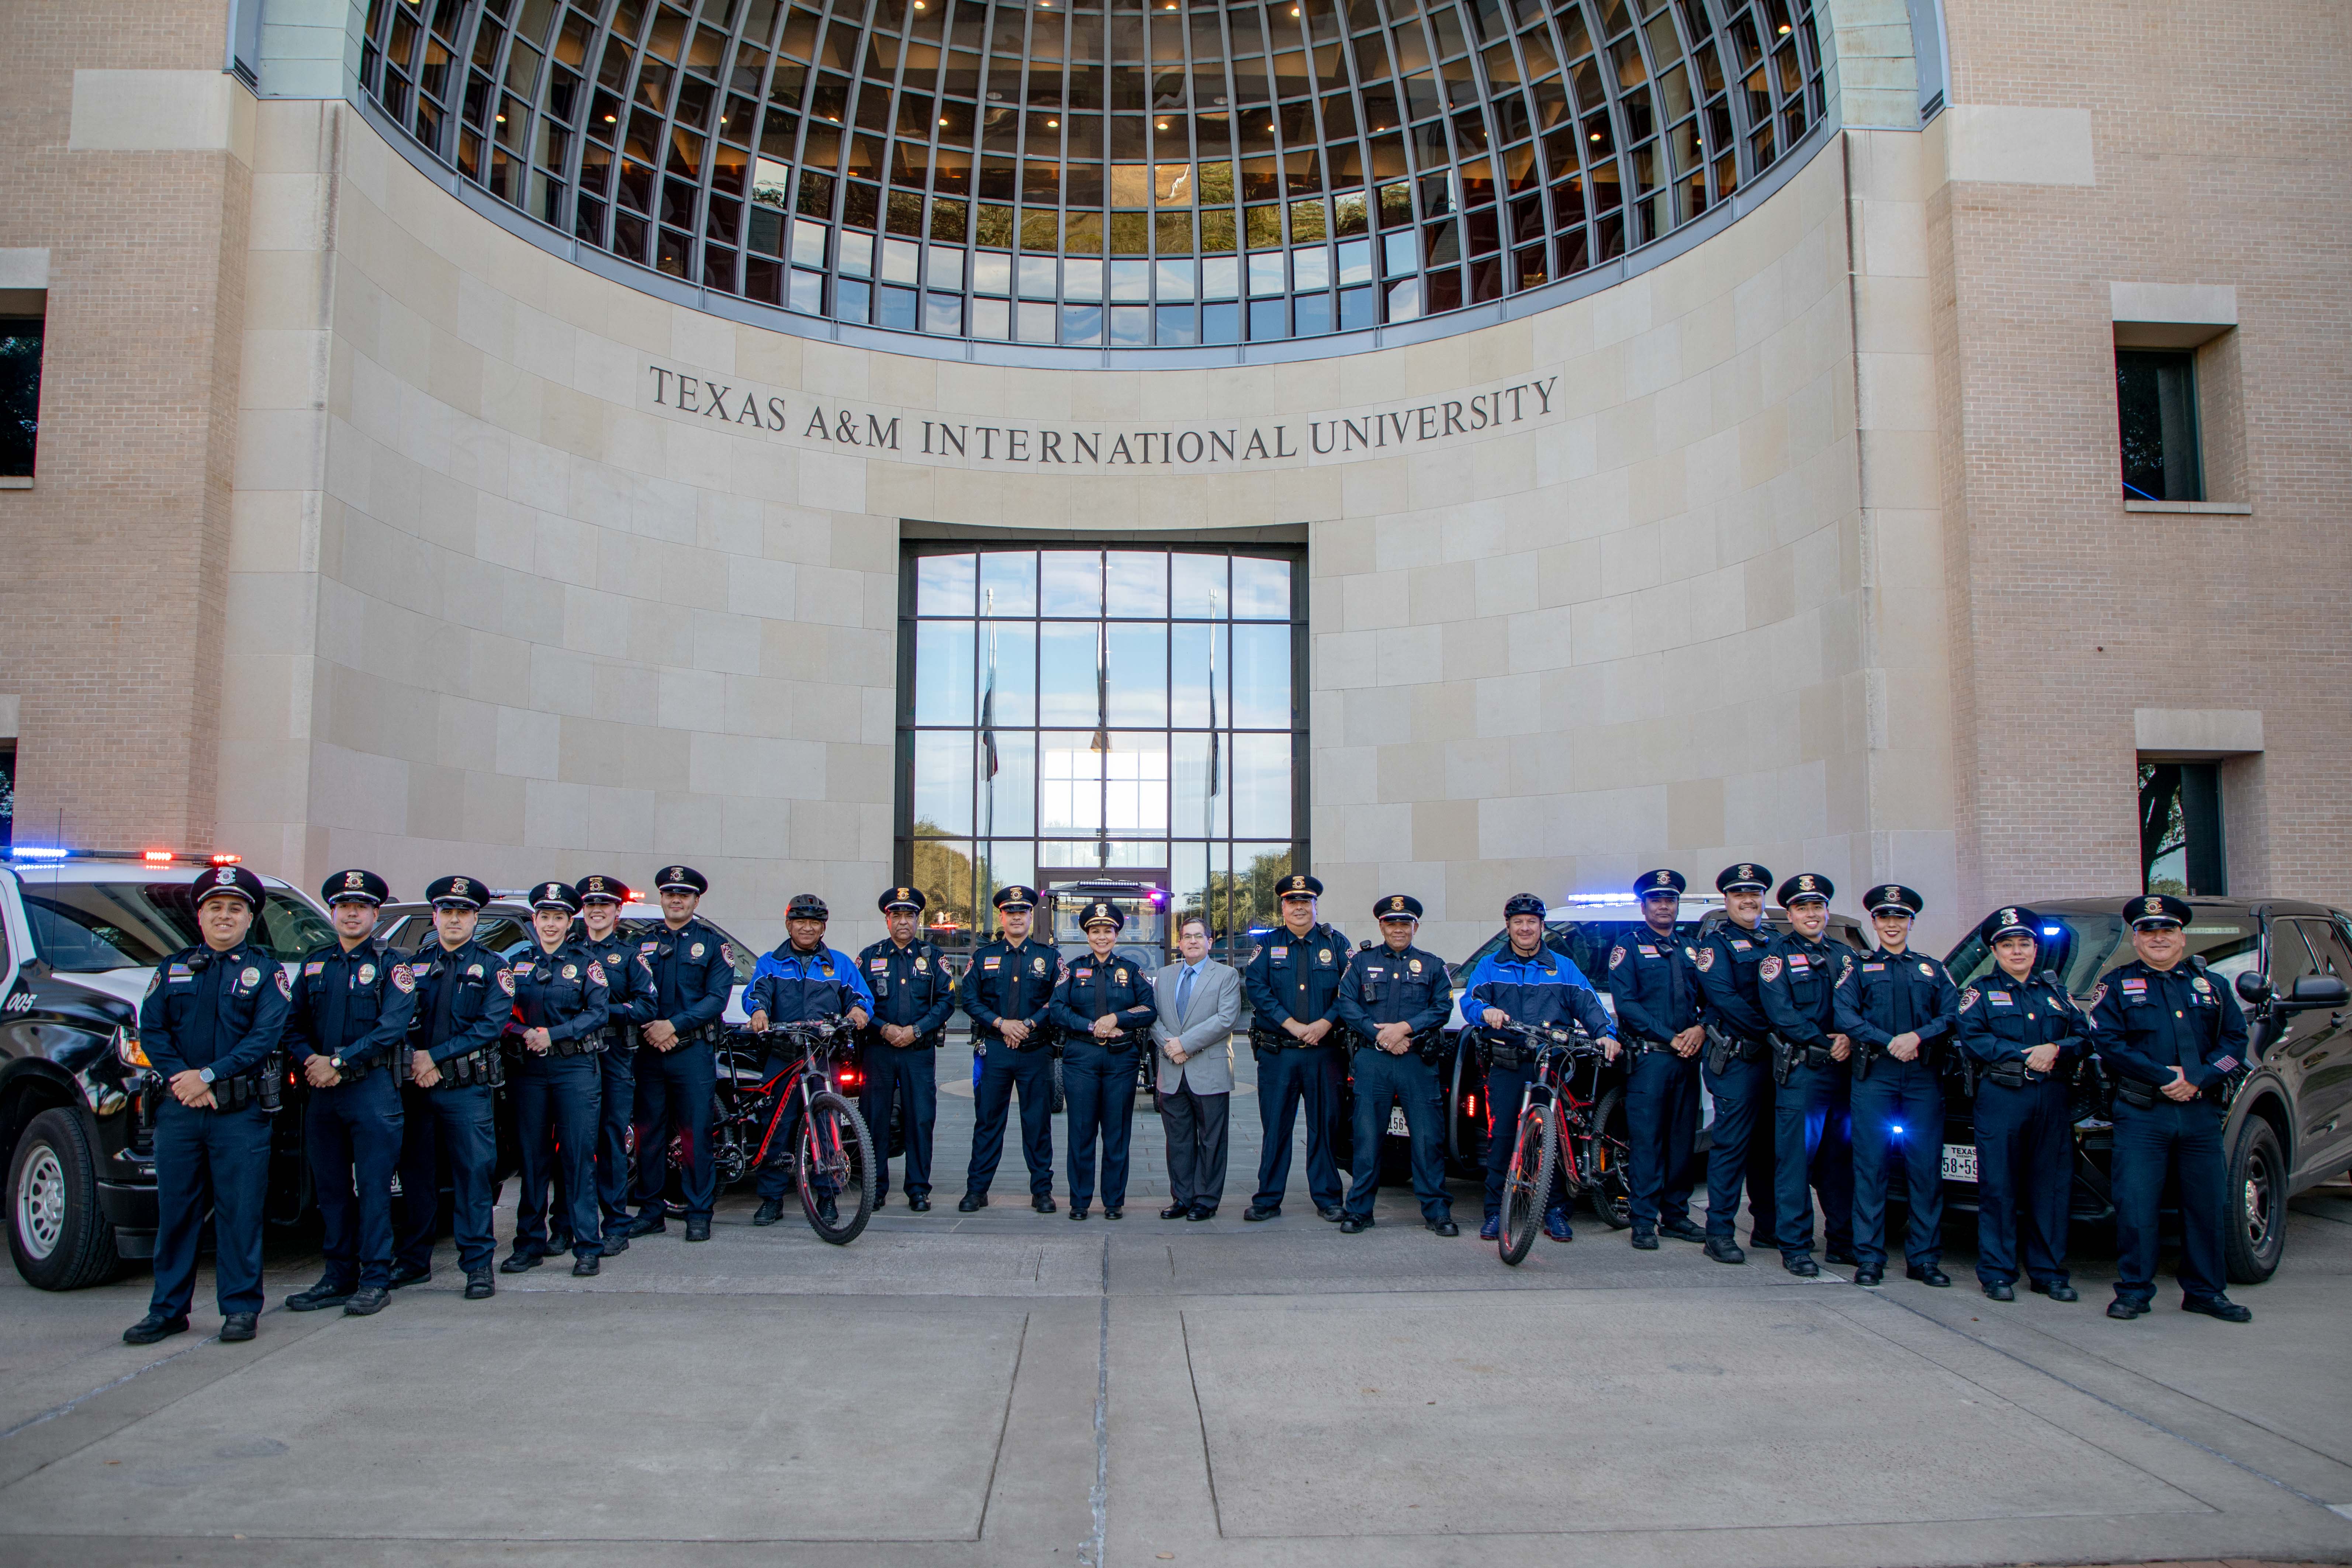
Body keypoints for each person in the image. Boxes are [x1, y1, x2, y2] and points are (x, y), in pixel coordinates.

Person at [123, 865, 291, 1346]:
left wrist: (209, 1075)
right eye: (215, 907)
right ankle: (168, 1309)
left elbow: (265, 1036)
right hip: (181, 1110)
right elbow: (152, 1029)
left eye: (234, 908)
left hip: (238, 1113)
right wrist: (185, 1079)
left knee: (239, 1212)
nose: (224, 916)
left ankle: (240, 1308)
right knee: (176, 1212)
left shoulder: (266, 971)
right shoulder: (172, 968)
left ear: (249, 917)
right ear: (200, 916)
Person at [2091, 893, 2254, 1323]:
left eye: (2166, 930)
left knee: (2206, 1206)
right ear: (2136, 939)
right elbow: (2107, 1043)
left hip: (2199, 1114)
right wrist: (2166, 1078)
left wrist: (2198, 1078)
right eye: (2148, 932)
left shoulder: (2212, 986)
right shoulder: (2116, 985)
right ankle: (2133, 1291)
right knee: (2137, 1205)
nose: (2158, 938)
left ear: (2181, 937)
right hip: (2143, 1113)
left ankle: (2205, 1292)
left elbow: (2235, 1043)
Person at [282, 869, 414, 1319]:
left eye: (361, 907)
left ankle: (375, 1278)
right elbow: (292, 1025)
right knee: (332, 1190)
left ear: (376, 913)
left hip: (371, 1091)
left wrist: (337, 1062)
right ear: (333, 913)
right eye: (343, 907)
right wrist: (311, 1062)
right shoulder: (315, 964)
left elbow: (392, 1028)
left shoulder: (392, 966)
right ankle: (338, 1276)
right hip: (323, 1094)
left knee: (375, 1190)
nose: (351, 913)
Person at [1462, 892, 1619, 1243]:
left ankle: (1556, 1212)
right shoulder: (1491, 965)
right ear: (1508, 927)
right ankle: (1494, 1213)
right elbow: (1470, 1001)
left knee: (1557, 1137)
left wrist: (1606, 1034)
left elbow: (1590, 1004)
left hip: (1553, 1065)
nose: (1525, 928)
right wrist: (1485, 1012)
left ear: (1542, 926)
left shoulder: (1563, 967)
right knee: (1502, 1138)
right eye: (1518, 922)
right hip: (1508, 1064)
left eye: (1532, 922)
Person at [1955, 904, 2089, 1303]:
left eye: (2024, 944)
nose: (2017, 952)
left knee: (2049, 1188)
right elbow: (1973, 1038)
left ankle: (2048, 1273)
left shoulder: (2056, 992)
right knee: (1999, 1187)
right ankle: (1997, 1273)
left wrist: (2056, 1049)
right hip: (2003, 1097)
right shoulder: (1978, 994)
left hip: (2051, 1097)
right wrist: (2025, 1055)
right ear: (1995, 952)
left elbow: (2084, 1037)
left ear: (2035, 949)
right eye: (2008, 945)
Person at [391, 875, 513, 1301]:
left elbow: (490, 1026)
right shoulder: (413, 966)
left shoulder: (494, 967)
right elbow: (395, 1020)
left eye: (464, 912)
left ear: (476, 918)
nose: (455, 919)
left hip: (466, 1091)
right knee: (416, 1179)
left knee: (472, 1177)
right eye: (448, 912)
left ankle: (478, 1266)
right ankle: (412, 1262)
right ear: (435, 916)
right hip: (418, 1088)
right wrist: (414, 1059)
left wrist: (433, 1057)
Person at [1833, 883, 1958, 1288]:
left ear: (1910, 923)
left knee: (1925, 1171)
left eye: (1899, 918)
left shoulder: (1932, 969)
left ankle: (1923, 1259)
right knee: (1870, 1169)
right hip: (1876, 1076)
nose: (1892, 925)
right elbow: (1844, 1014)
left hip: (1922, 1077)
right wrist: (1889, 1041)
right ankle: (1869, 1257)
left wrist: (1917, 1038)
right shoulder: (1858, 966)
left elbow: (1953, 1015)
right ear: (1874, 922)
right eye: (1885, 918)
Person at [619, 865, 737, 1244]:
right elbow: (629, 995)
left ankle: (698, 1213)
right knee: (649, 1134)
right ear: (661, 898)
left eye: (683, 895)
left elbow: (716, 999)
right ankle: (651, 1211)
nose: (676, 900)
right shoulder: (641, 944)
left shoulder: (713, 944)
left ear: (695, 901)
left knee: (695, 1135)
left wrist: (673, 1026)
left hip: (692, 1053)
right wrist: (652, 1029)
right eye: (670, 894)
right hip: (650, 1051)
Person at [504, 882, 612, 1277]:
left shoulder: (587, 963)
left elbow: (597, 1014)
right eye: (544, 917)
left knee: (579, 1158)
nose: (551, 925)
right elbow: (499, 1012)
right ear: (535, 920)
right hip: (529, 1071)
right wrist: (523, 1034)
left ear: (571, 922)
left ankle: (587, 1246)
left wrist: (555, 1033)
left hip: (575, 1069)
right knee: (532, 1159)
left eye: (559, 918)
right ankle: (528, 1244)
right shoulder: (516, 963)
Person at [745, 893, 873, 1227]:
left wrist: (859, 1009)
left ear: (823, 927)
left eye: (814, 922)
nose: (807, 927)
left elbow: (860, 995)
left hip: (822, 1058)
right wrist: (758, 1010)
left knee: (828, 1126)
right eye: (800, 921)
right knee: (776, 1126)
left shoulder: (840, 963)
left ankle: (828, 1196)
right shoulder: (771, 962)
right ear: (788, 924)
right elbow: (755, 992)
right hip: (783, 1057)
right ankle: (772, 1199)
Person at [1334, 894, 1458, 1236]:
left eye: (1405, 923)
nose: (1399, 929)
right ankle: (1359, 1210)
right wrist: (1381, 1035)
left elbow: (1441, 1009)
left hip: (1416, 1060)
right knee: (1367, 1138)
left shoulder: (1433, 965)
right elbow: (1347, 1004)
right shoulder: (1361, 962)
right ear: (1381, 925)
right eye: (1392, 923)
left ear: (1416, 926)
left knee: (1426, 1139)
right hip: (1373, 1060)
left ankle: (1437, 1211)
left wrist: (1405, 1030)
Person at [1757, 873, 1858, 1277]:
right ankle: (1795, 1246)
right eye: (1802, 908)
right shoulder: (1775, 958)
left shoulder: (1845, 956)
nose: (1811, 914)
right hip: (1803, 1072)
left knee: (1839, 1161)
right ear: (1790, 914)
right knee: (1795, 1163)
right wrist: (1827, 1040)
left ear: (1826, 911)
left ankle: (1841, 1241)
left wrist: (1849, 1038)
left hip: (1845, 1073)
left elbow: (1861, 1005)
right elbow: (1781, 1014)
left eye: (1817, 907)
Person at [1604, 870, 1706, 1251]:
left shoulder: (1691, 947)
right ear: (1644, 906)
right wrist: (1671, 1036)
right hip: (1651, 1059)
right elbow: (1626, 1005)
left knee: (1682, 1141)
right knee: (1647, 1141)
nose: (1664, 906)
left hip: (1687, 1058)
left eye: (1670, 899)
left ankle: (1676, 1216)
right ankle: (1643, 1220)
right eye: (1656, 900)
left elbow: (1713, 998)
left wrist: (1700, 1029)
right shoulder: (1627, 948)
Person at [1241, 873, 1351, 1223]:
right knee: (1275, 1128)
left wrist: (1325, 1023)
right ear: (1283, 907)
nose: (1299, 908)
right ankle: (1268, 1198)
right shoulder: (1268, 944)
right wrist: (1292, 1025)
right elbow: (1257, 988)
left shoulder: (1336, 944)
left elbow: (1350, 990)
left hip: (1325, 1053)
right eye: (1292, 902)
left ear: (1316, 906)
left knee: (1324, 1126)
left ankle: (1328, 1197)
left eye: (1306, 902)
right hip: (1279, 1052)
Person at [1693, 863, 1782, 1264]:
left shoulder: (1775, 941)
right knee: (1731, 1147)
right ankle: (1719, 1234)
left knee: (1769, 1148)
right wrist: (1777, 1030)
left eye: (1755, 894)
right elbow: (1726, 1000)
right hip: (1737, 1060)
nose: (1749, 901)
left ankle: (1767, 1227)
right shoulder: (1716, 946)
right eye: (1739, 895)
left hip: (1774, 1062)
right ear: (1727, 900)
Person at [955, 885, 1063, 1213]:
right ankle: (977, 1190)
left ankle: (1042, 1191)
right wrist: (1003, 1023)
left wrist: (1027, 1024)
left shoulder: (1050, 958)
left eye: (1023, 912)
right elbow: (969, 999)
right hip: (994, 1049)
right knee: (988, 1122)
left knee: (1037, 1123)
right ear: (1002, 916)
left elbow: (1058, 1000)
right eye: (1010, 912)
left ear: (1031, 916)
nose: (1017, 917)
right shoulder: (982, 957)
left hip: (1036, 1050)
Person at [1050, 901, 1158, 1220]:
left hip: (1120, 1061)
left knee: (1116, 1133)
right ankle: (1080, 1201)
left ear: (1116, 934)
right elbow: (1057, 1009)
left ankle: (1114, 1201)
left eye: (1107, 931)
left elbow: (1148, 1008)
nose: (1101, 937)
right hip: (1080, 1059)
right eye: (1095, 931)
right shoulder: (1072, 968)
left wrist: (1116, 1017)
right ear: (1087, 935)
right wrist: (1090, 1025)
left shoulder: (1131, 970)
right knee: (1081, 1133)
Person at [855, 887, 955, 1211]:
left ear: (917, 920)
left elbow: (946, 1002)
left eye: (909, 915)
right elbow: (857, 1003)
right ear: (887, 920)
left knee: (920, 1119)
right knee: (875, 1120)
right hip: (879, 1051)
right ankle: (877, 1188)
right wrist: (883, 1028)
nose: (902, 922)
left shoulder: (933, 957)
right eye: (896, 915)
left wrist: (916, 1030)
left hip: (919, 1052)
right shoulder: (869, 957)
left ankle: (918, 1189)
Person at [571, 874, 656, 1250]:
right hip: (572, 1058)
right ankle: (564, 1228)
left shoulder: (629, 955)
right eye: (590, 905)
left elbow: (646, 1005)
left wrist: (602, 1012)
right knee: (572, 1142)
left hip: (613, 1054)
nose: (596, 912)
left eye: (604, 905)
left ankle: (616, 1225)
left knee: (610, 1139)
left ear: (618, 911)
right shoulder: (570, 952)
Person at [1151, 914, 1242, 1220]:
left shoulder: (1226, 975)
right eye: (1187, 936)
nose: (1192, 941)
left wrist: (1184, 1044)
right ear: (1179, 942)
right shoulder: (1164, 975)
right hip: (1172, 1071)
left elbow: (1225, 1019)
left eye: (1198, 936)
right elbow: (1153, 1018)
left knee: (1212, 1139)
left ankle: (1206, 1199)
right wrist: (1169, 1045)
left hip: (1209, 1070)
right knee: (1177, 1139)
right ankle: (1182, 1197)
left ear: (1209, 942)